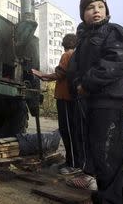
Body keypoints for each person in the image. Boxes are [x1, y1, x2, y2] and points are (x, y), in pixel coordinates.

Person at [70, 0, 123, 203]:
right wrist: (77, 83)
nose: (96, 10)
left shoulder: (112, 31)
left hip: (108, 99)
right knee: (101, 152)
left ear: (106, 11)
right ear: (83, 14)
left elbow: (117, 60)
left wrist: (86, 83)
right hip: (89, 101)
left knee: (106, 152)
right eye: (90, 7)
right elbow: (76, 68)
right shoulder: (82, 40)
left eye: (100, 7)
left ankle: (109, 199)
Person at [31, 33, 85, 176]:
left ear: (65, 43)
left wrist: (42, 75)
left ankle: (73, 164)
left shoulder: (67, 55)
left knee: (67, 131)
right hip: (72, 98)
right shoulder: (78, 56)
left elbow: (59, 75)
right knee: (73, 130)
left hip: (65, 98)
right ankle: (72, 161)